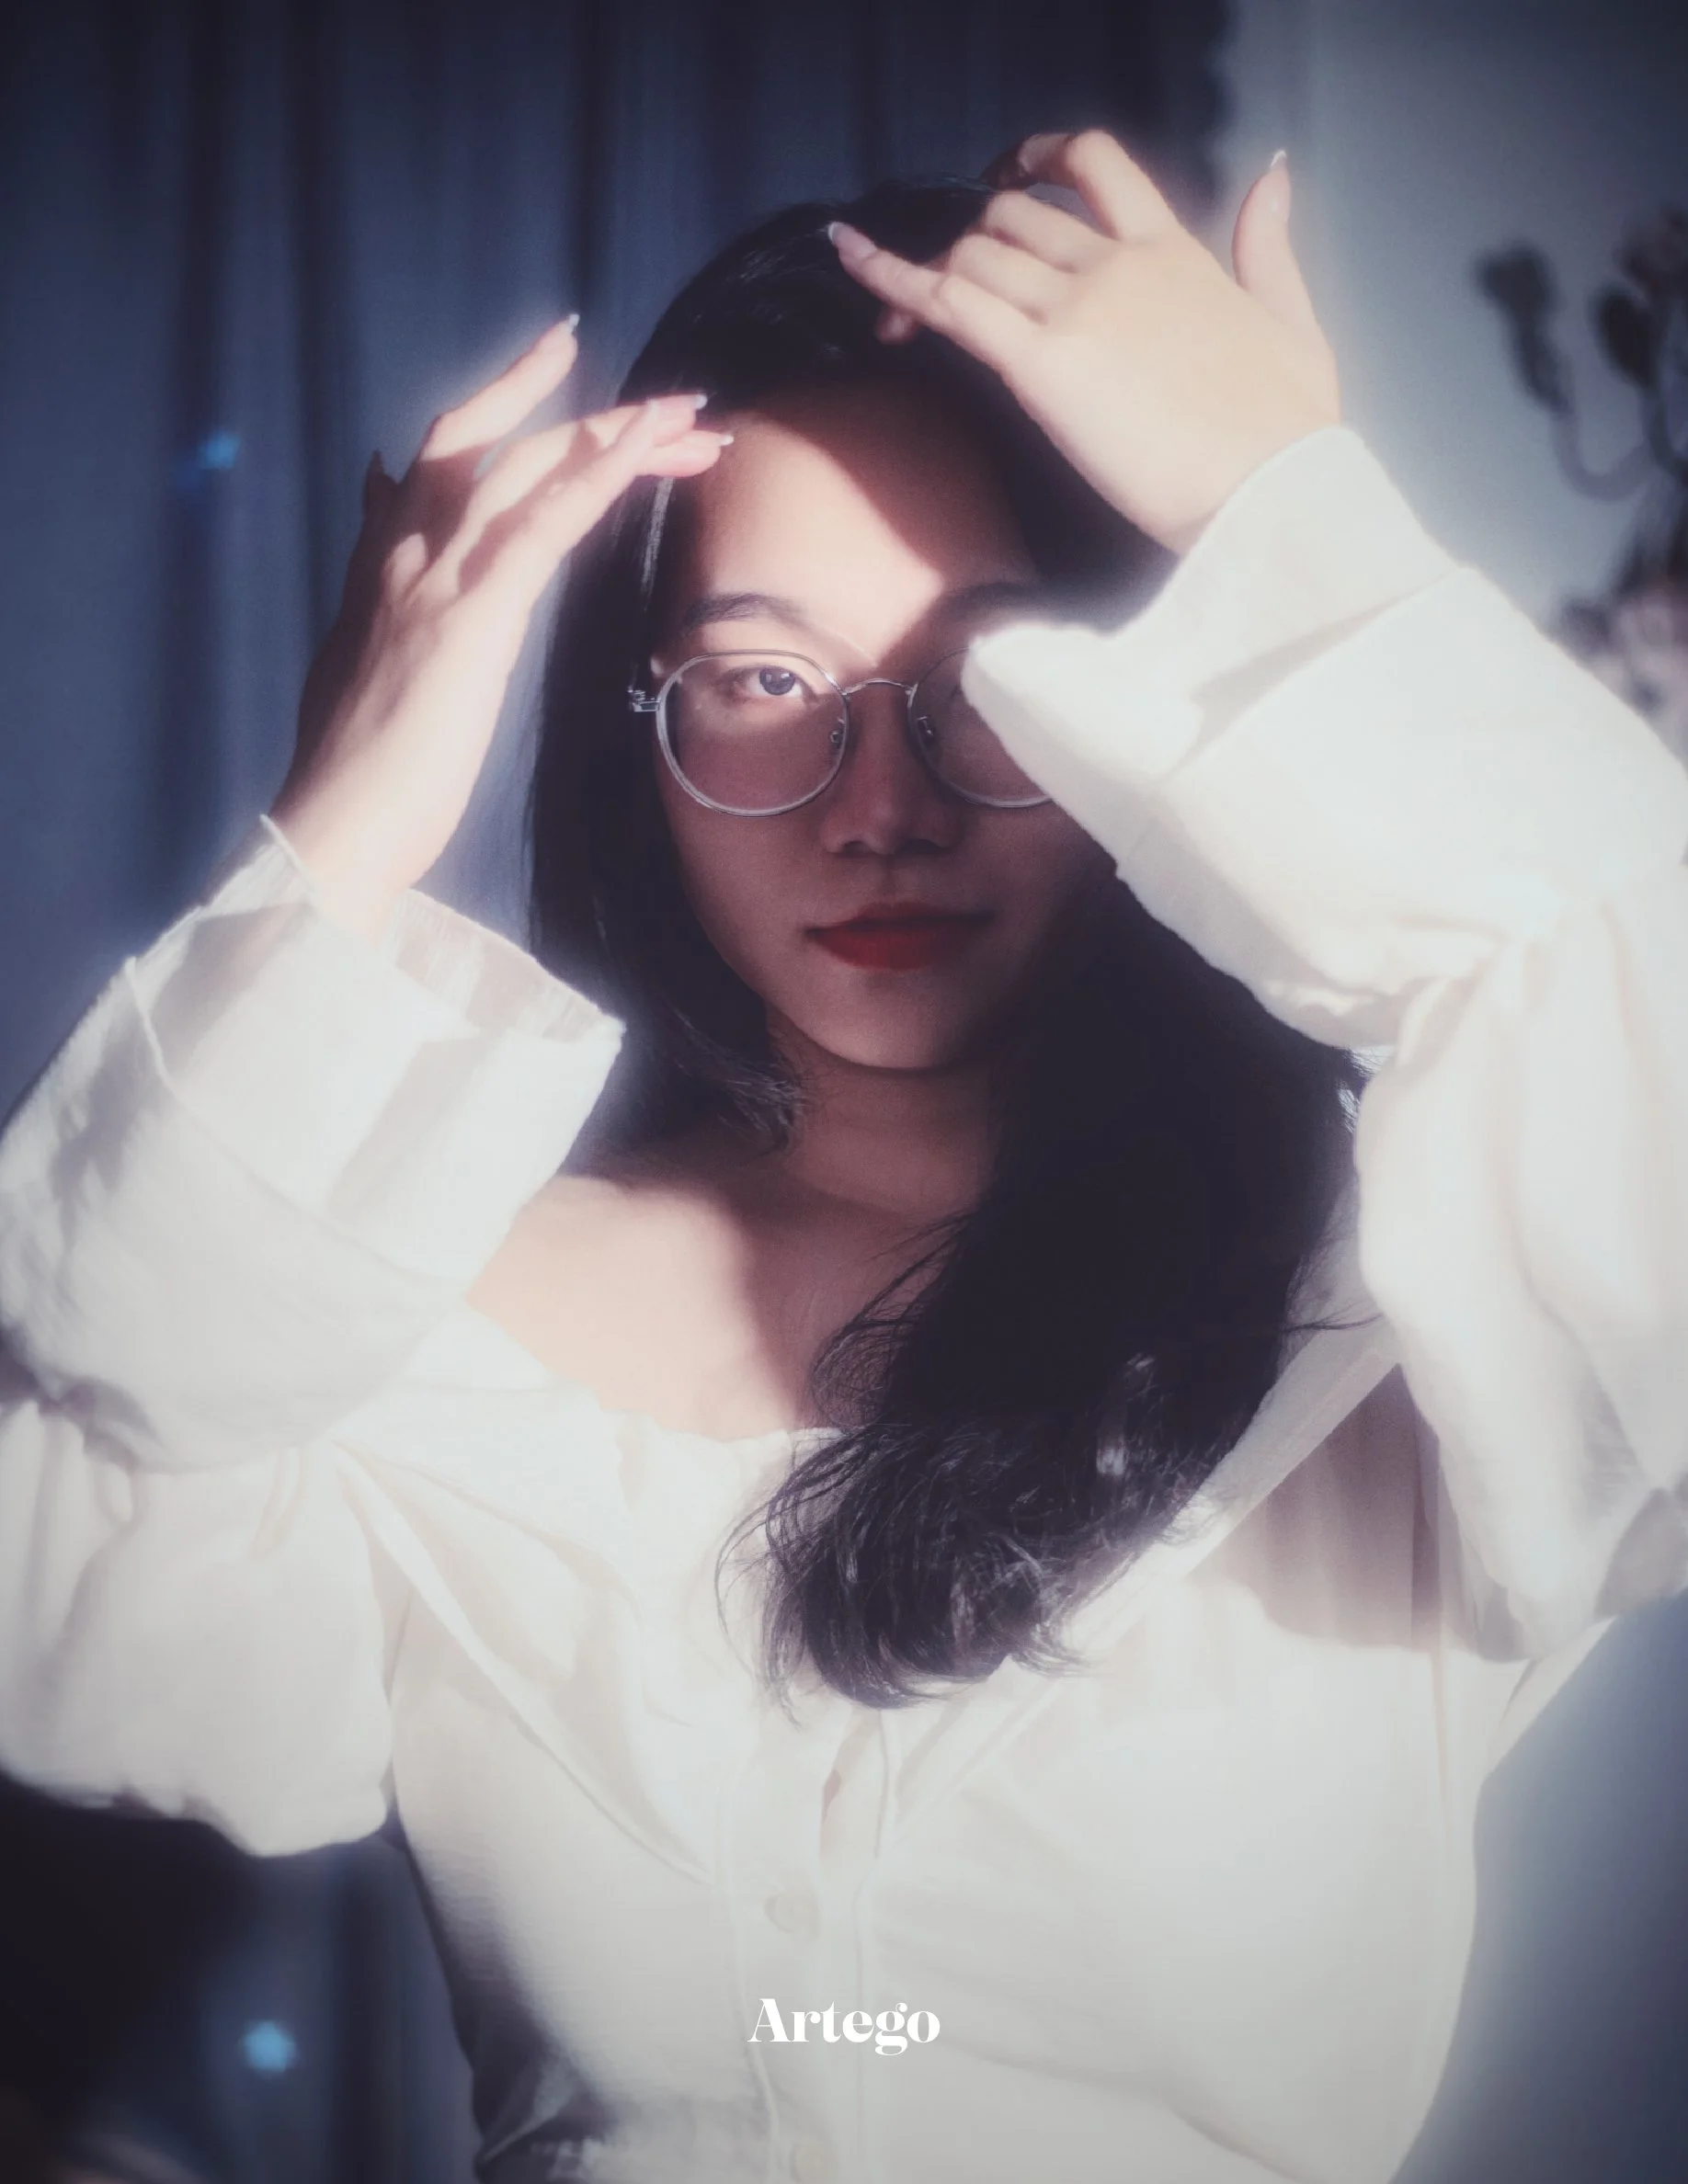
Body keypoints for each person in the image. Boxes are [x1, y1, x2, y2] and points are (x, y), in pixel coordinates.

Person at [1, 129, 1684, 2184]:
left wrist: (1298, 537)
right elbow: (67, 1588)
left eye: (986, 682)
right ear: (638, 732)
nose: (874, 804)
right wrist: (345, 817)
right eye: (763, 681)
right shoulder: (383, 1309)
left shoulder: (1408, 1305)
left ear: (1151, 718)